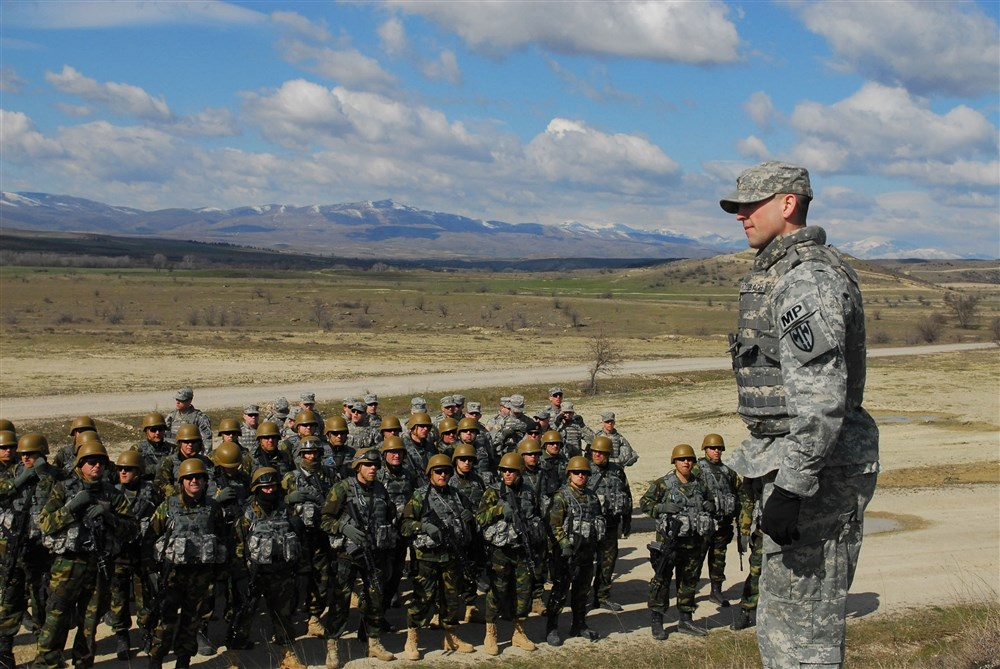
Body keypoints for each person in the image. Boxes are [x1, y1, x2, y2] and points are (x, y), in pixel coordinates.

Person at [721, 161, 879, 668]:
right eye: (739, 206)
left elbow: (821, 398)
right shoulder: (785, 273)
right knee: (784, 623)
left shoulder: (806, 280)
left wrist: (792, 487)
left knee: (801, 635)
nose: (742, 215)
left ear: (787, 203)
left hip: (816, 478)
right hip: (801, 469)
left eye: (752, 204)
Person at [32, 439, 138, 669]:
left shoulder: (111, 494)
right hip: (67, 567)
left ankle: (83, 663)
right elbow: (45, 524)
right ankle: (46, 664)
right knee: (56, 620)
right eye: (91, 462)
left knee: (89, 626)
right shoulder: (64, 489)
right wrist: (71, 508)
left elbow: (132, 528)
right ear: (81, 464)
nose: (96, 466)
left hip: (99, 567)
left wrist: (110, 517)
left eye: (100, 462)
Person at [144, 458, 228, 669]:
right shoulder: (168, 506)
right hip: (172, 576)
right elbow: (150, 537)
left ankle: (183, 661)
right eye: (189, 478)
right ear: (181, 481)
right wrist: (151, 571)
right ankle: (156, 660)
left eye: (198, 477)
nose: (194, 481)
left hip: (200, 577)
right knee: (165, 623)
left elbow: (222, 538)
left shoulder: (213, 507)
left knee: (192, 623)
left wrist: (219, 572)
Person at [319, 449, 397, 667]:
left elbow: (389, 517)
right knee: (341, 601)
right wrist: (343, 527)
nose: (373, 469)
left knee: (375, 598)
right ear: (358, 467)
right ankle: (333, 645)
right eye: (368, 465)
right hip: (348, 554)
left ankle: (374, 641)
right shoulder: (342, 488)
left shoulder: (380, 489)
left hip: (375, 553)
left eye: (376, 466)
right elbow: (324, 519)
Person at [223, 467, 307, 669]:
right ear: (256, 488)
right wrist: (241, 578)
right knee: (243, 616)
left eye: (273, 486)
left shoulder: (287, 510)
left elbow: (300, 541)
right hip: (254, 574)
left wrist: (303, 570)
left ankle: (287, 655)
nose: (269, 490)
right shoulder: (247, 513)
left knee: (283, 616)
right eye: (265, 487)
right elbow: (238, 548)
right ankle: (233, 658)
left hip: (281, 572)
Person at [400, 454, 477, 660]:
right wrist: (423, 526)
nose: (443, 475)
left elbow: (468, 515)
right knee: (422, 599)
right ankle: (412, 638)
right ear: (430, 474)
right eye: (438, 472)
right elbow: (405, 526)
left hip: (452, 556)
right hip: (428, 557)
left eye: (446, 472)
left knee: (451, 599)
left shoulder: (456, 495)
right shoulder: (420, 495)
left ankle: (450, 636)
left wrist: (469, 517)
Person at [640, 443, 714, 639]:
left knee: (689, 581)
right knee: (662, 581)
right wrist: (662, 508)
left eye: (689, 459)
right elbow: (645, 503)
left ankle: (686, 620)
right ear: (675, 461)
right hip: (669, 544)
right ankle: (657, 621)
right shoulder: (663, 483)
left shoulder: (700, 484)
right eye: (682, 459)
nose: (686, 462)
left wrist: (710, 505)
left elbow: (711, 503)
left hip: (693, 543)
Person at [476, 452, 543, 655]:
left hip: (522, 551)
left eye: (511, 471)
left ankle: (519, 633)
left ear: (519, 472)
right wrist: (498, 510)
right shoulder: (492, 492)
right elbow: (479, 518)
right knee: (497, 592)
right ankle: (491, 633)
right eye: (503, 470)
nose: (506, 474)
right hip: (500, 551)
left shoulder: (529, 492)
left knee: (523, 594)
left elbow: (537, 516)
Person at [107, 450, 161, 661]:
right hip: (119, 555)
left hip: (143, 555)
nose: (122, 472)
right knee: (118, 600)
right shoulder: (113, 493)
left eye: (127, 469)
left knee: (145, 599)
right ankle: (122, 636)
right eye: (120, 469)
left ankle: (146, 633)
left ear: (138, 471)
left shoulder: (151, 492)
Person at [545, 455, 604, 646]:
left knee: (582, 591)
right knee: (560, 591)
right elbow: (554, 525)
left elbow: (598, 519)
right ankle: (552, 627)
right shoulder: (561, 496)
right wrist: (564, 544)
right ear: (569, 474)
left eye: (584, 473)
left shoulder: (592, 497)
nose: (581, 476)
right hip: (566, 554)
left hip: (587, 552)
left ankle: (579, 624)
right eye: (577, 473)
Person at [282, 436, 336, 638]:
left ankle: (314, 618)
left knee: (321, 578)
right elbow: (275, 504)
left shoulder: (330, 476)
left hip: (321, 535)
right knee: (294, 581)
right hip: (296, 537)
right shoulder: (290, 478)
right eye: (307, 454)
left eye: (314, 453)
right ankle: (288, 620)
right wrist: (287, 499)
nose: (311, 457)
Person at [586, 435, 632, 612]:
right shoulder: (584, 469)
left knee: (608, 561)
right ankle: (581, 597)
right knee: (585, 563)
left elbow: (626, 493)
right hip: (589, 525)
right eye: (595, 452)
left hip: (611, 524)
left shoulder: (617, 470)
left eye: (601, 453)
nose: (597, 455)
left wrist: (627, 520)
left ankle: (602, 596)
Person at [695, 433, 739, 607]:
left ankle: (716, 591)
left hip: (723, 525)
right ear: (705, 449)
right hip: (703, 526)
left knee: (719, 559)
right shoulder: (696, 470)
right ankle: (688, 594)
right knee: (695, 561)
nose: (716, 451)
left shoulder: (728, 472)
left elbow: (739, 493)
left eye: (719, 449)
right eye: (713, 448)